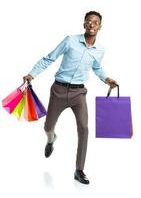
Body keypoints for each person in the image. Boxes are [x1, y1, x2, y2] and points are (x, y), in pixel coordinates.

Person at [23, 11, 117, 185]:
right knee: (48, 126)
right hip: (58, 90)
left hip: (79, 94)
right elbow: (49, 58)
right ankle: (51, 140)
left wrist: (107, 79)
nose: (92, 25)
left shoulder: (100, 50)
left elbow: (97, 68)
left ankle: (79, 170)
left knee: (84, 129)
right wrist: (32, 74)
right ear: (84, 24)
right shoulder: (70, 41)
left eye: (95, 22)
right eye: (89, 21)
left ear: (100, 27)